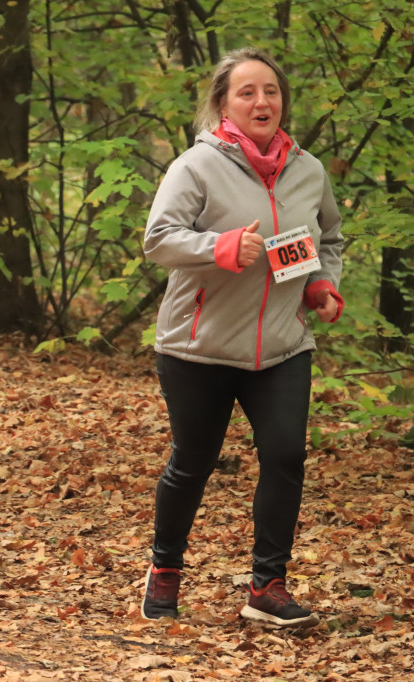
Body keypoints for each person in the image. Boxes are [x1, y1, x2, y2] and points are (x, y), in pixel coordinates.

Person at [140, 47, 345, 628]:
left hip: (282, 345)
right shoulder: (196, 167)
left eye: (271, 91)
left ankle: (267, 587)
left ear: (283, 102)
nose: (262, 101)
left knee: (285, 456)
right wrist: (219, 248)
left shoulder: (308, 170)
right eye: (247, 92)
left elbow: (326, 237)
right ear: (224, 103)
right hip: (198, 345)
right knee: (194, 461)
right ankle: (165, 569)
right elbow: (159, 240)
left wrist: (318, 285)